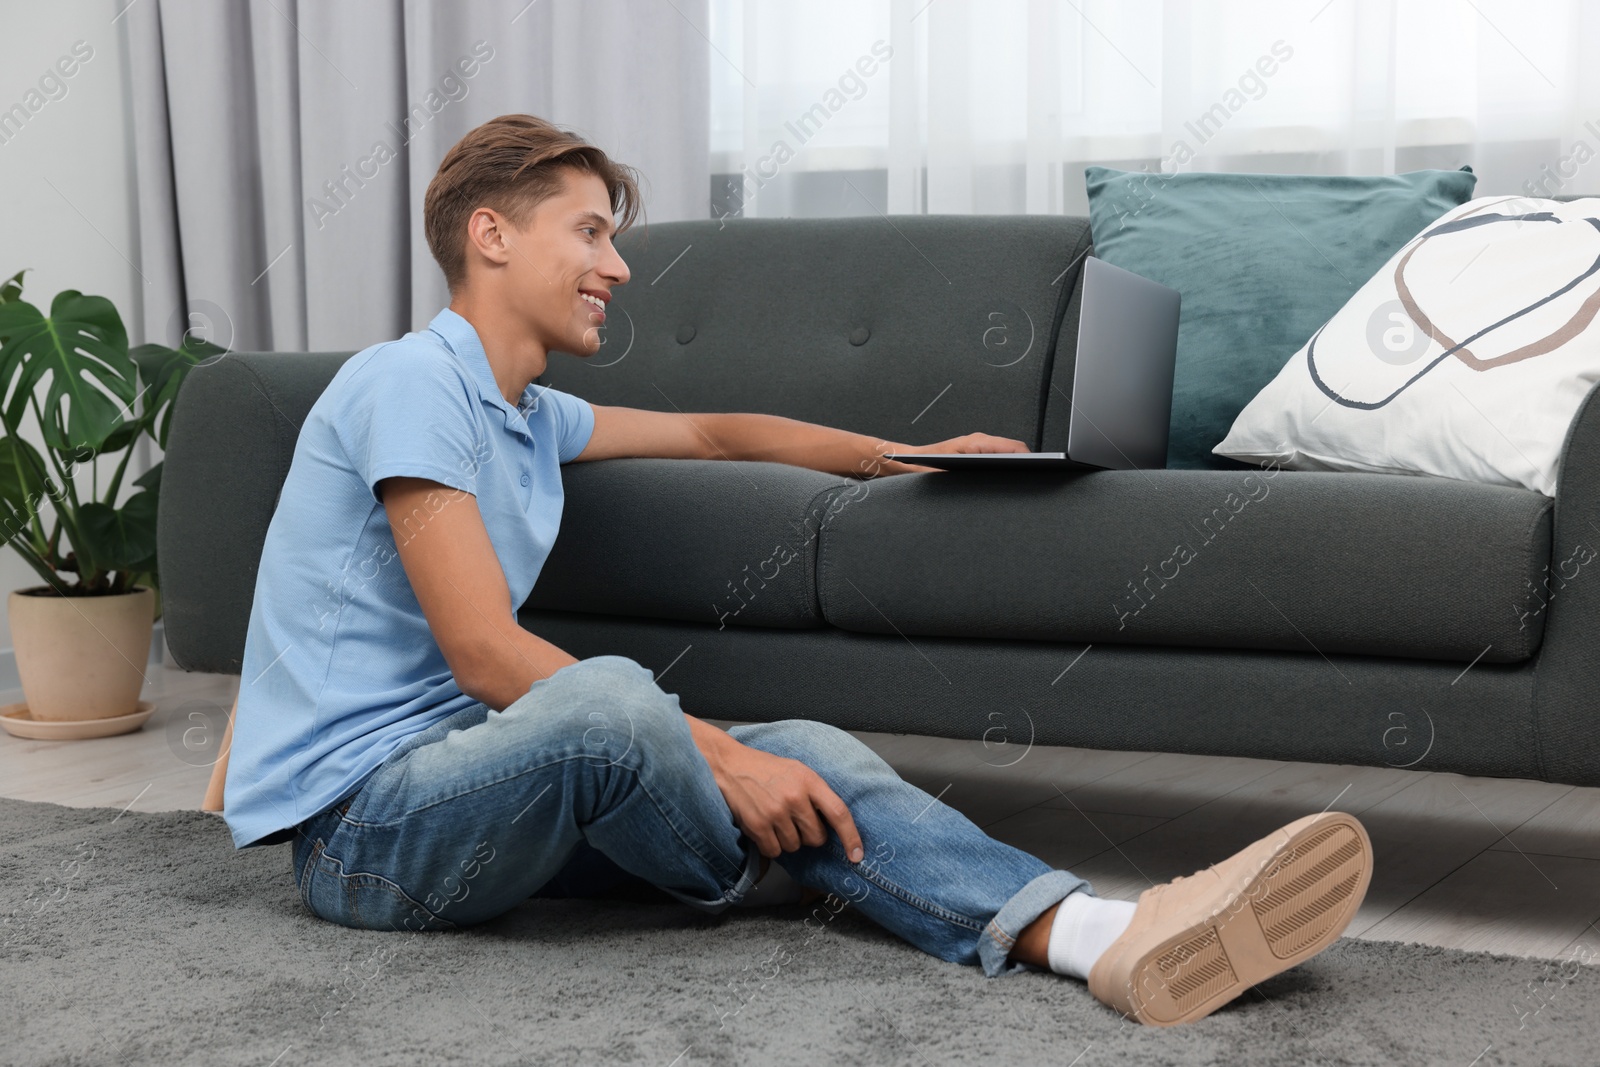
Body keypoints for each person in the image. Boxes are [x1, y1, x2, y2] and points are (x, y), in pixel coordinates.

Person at [222, 113, 1374, 1027]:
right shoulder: (408, 383)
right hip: (366, 837)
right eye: (588, 232)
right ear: (491, 235)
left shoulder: (527, 415)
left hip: (481, 790)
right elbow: (482, 651)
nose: (615, 266)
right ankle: (790, 856)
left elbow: (718, 432)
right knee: (618, 700)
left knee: (805, 748)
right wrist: (713, 754)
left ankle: (1102, 936)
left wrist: (911, 454)